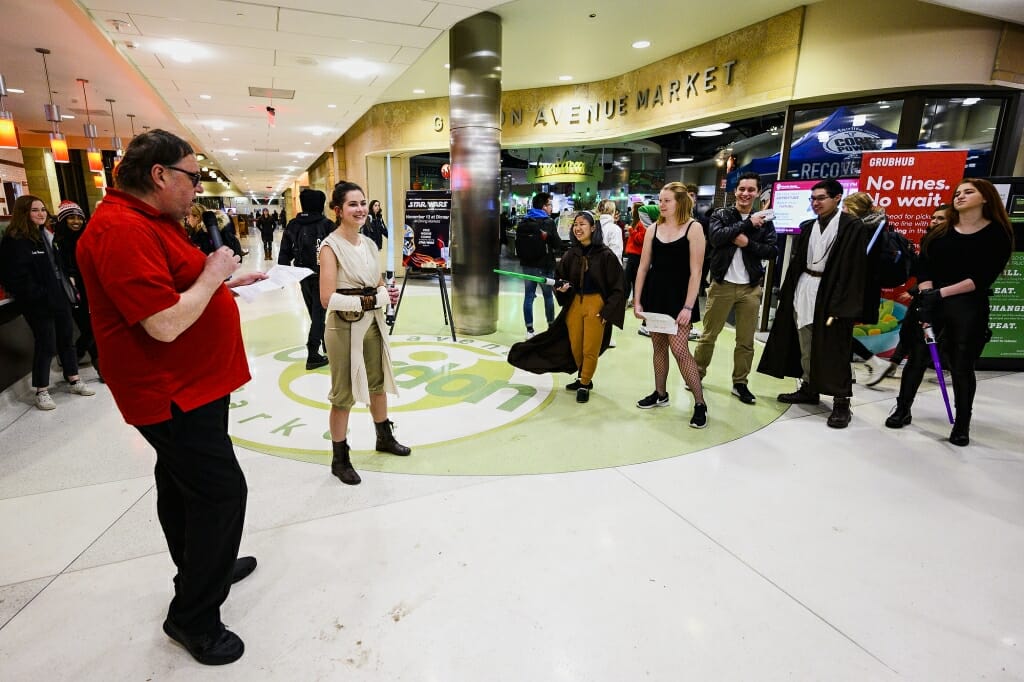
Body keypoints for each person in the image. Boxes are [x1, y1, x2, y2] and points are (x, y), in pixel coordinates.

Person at [77, 129, 268, 666]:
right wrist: (211, 274)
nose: (196, 187)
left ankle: (202, 564)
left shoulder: (147, 224)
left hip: (193, 387)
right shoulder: (119, 229)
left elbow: (169, 291)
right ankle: (193, 617)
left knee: (182, 484)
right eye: (192, 176)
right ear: (159, 174)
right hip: (171, 393)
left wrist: (223, 284)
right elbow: (161, 324)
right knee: (220, 493)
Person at [885, 179, 1013, 445]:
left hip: (967, 306)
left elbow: (983, 276)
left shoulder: (997, 234)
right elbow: (923, 266)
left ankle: (962, 423)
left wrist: (940, 294)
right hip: (931, 302)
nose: (960, 196)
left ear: (986, 198)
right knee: (917, 358)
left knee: (962, 366)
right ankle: (902, 409)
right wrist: (928, 291)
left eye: (969, 192)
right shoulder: (941, 232)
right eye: (957, 193)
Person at [757, 178, 871, 429]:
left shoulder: (852, 227)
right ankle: (809, 387)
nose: (816, 203)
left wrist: (843, 305)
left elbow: (855, 270)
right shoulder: (809, 227)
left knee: (834, 350)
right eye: (813, 199)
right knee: (805, 342)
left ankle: (842, 401)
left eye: (821, 198)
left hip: (831, 295)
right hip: (805, 288)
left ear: (837, 198)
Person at [319, 181, 408, 486]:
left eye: (362, 203)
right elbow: (327, 298)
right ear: (338, 210)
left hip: (373, 323)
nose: (359, 209)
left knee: (378, 382)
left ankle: (384, 436)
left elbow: (379, 281)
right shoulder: (330, 246)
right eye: (352, 204)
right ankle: (339, 458)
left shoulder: (369, 243)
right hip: (342, 327)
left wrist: (386, 293)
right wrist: (373, 299)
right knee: (343, 393)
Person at [506, 212, 625, 403]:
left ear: (593, 228)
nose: (577, 228)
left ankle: (585, 383)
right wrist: (561, 286)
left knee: (590, 348)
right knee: (576, 346)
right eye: (575, 224)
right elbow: (561, 278)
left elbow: (619, 287)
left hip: (596, 306)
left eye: (582, 224)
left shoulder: (606, 255)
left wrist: (607, 311)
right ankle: (582, 376)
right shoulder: (572, 254)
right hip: (575, 305)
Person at [0, 195, 96, 410]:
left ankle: (73, 378)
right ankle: (41, 390)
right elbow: (14, 276)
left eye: (43, 209)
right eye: (35, 210)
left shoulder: (48, 236)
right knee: (46, 343)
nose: (41, 214)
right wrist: (39, 294)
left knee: (66, 339)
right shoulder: (15, 240)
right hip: (37, 303)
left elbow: (58, 267)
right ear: (24, 213)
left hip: (60, 296)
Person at [693, 172, 778, 405]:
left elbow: (772, 251)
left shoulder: (767, 220)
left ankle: (740, 383)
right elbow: (716, 238)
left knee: (746, 340)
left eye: (751, 189)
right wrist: (748, 224)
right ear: (735, 191)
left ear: (758, 192)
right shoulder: (722, 214)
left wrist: (747, 242)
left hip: (750, 288)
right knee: (708, 335)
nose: (745, 193)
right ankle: (696, 375)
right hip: (722, 285)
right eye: (742, 189)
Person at [633, 182, 708, 428]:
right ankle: (660, 393)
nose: (661, 204)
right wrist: (637, 299)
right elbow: (643, 267)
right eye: (660, 200)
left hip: (679, 298)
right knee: (658, 347)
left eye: (667, 200)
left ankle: (699, 402)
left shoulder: (694, 228)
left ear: (680, 202)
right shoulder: (654, 228)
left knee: (680, 350)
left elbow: (696, 272)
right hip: (656, 295)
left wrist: (688, 307)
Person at [880, 204, 951, 380]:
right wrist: (915, 290)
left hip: (943, 298)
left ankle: (945, 367)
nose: (935, 221)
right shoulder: (929, 238)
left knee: (936, 336)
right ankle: (894, 365)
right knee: (908, 330)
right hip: (923, 296)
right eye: (934, 218)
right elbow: (923, 269)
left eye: (941, 218)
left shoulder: (952, 243)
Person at [841, 192, 892, 385]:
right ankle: (850, 371)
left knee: (839, 331)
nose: (843, 212)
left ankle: (874, 363)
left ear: (854, 209)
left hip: (855, 289)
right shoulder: (874, 227)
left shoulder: (863, 230)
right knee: (841, 332)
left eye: (845, 208)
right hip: (861, 289)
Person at [279, 188, 332, 370]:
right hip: (322, 276)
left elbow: (284, 252)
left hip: (302, 276)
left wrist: (282, 275)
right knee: (319, 315)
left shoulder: (293, 224)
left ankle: (325, 344)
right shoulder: (327, 225)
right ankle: (313, 354)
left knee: (315, 313)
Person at [54, 200, 100, 378]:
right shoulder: (58, 242)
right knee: (89, 328)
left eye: (79, 218)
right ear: (63, 221)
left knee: (92, 326)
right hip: (71, 291)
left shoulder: (88, 237)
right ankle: (96, 364)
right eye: (71, 218)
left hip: (89, 288)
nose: (76, 221)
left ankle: (74, 357)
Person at [516, 192, 560, 340]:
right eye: (550, 205)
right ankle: (551, 327)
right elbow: (557, 244)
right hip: (545, 265)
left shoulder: (524, 221)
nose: (551, 208)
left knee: (528, 296)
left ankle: (529, 330)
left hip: (527, 265)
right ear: (544, 206)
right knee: (548, 296)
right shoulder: (548, 222)